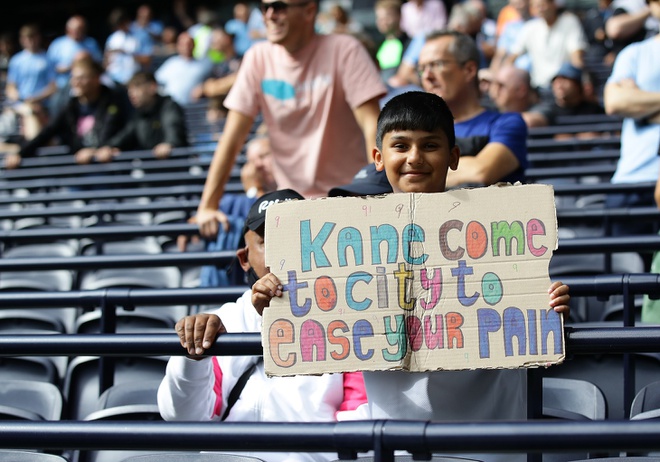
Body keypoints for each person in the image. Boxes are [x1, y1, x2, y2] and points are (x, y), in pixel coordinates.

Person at [256, 91, 571, 462]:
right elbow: (314, 322)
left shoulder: (495, 227)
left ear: (454, 157)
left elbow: (535, 314)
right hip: (398, 446)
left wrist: (548, 302)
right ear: (378, 158)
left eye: (430, 145)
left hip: (492, 444)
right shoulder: (344, 245)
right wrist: (276, 298)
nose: (414, 158)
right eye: (400, 145)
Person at [158, 189, 369, 462]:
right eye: (268, 240)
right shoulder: (223, 322)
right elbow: (182, 417)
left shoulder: (350, 323)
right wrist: (191, 360)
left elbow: (360, 423)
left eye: (295, 236)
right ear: (245, 259)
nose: (283, 250)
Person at [194, 0, 386, 240]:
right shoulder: (258, 57)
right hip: (291, 209)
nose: (270, 15)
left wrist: (380, 198)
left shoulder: (345, 49)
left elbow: (373, 128)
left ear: (309, 10)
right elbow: (231, 139)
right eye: (265, 8)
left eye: (279, 6)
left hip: (351, 204)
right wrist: (207, 207)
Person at [417, 30, 528, 189]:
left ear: (469, 69)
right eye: (422, 68)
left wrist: (416, 175)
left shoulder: (506, 123)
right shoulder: (419, 129)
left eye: (436, 64)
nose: (427, 76)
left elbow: (481, 171)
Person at [4, 57, 129, 169]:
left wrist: (100, 149)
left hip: (108, 166)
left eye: (82, 78)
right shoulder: (70, 107)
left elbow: (125, 131)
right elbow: (47, 132)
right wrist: (20, 154)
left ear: (96, 79)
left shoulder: (114, 103)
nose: (76, 82)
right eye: (73, 78)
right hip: (79, 167)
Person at [603, 0, 660, 238]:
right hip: (633, 179)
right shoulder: (634, 53)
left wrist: (643, 104)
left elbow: (626, 101)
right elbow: (615, 102)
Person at [93, 71, 188, 163]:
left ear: (152, 87)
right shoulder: (138, 115)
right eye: (129, 89)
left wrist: (169, 144)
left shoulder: (169, 106)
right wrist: (105, 148)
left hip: (175, 169)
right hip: (151, 171)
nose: (131, 93)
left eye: (136, 87)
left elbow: (173, 130)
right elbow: (124, 138)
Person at [506, 0, 588, 92]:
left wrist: (583, 81)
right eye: (536, 6)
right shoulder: (530, 28)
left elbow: (577, 57)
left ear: (553, 4)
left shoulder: (569, 22)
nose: (540, 9)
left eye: (543, 5)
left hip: (563, 87)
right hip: (539, 88)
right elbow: (512, 56)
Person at [524, 62, 605, 131]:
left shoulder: (592, 110)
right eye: (556, 81)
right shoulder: (547, 109)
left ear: (577, 85)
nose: (559, 84)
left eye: (565, 79)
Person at [154, 30, 213, 106]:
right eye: (183, 44)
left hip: (195, 108)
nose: (186, 47)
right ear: (178, 46)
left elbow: (212, 81)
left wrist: (203, 87)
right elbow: (156, 81)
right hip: (172, 107)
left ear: (194, 45)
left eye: (189, 44)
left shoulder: (205, 64)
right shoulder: (171, 63)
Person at [5, 23, 57, 109]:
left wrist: (35, 98)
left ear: (38, 37)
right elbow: (11, 86)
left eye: (33, 37)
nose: (31, 41)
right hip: (21, 105)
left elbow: (53, 86)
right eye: (27, 38)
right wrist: (15, 95)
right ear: (22, 40)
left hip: (43, 106)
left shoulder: (48, 59)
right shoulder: (16, 60)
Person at [47, 15, 103, 91]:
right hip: (63, 87)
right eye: (77, 29)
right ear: (68, 29)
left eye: (82, 29)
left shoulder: (91, 43)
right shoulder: (57, 44)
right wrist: (70, 67)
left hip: (87, 86)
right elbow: (50, 68)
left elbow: (98, 63)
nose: (80, 32)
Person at [104, 7, 153, 87]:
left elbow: (148, 59)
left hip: (135, 80)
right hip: (114, 81)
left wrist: (127, 53)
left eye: (121, 25)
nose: (119, 29)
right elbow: (106, 59)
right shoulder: (112, 38)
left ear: (127, 22)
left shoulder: (141, 35)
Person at [373, 0, 411, 83]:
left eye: (387, 17)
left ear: (399, 16)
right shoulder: (378, 45)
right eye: (379, 18)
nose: (383, 22)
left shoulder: (409, 43)